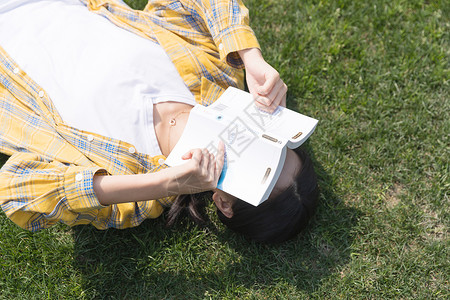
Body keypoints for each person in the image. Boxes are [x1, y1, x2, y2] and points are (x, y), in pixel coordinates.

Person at [0, 0, 318, 243]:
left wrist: (167, 183)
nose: (254, 143)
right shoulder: (216, 77)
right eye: (274, 145)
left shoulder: (134, 192)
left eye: (258, 168)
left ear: (224, 202)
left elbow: (17, 191)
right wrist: (251, 58)